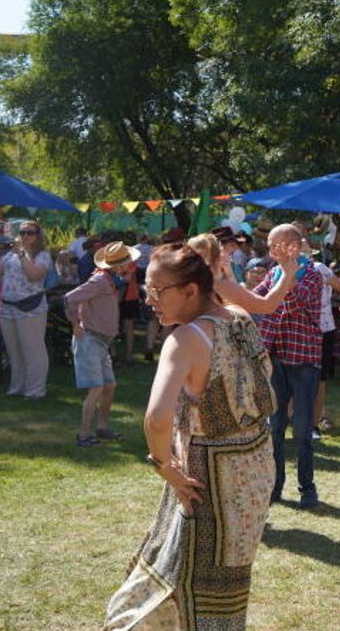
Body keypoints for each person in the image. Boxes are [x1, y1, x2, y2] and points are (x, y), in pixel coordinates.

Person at [103, 242, 276, 630]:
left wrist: (164, 466)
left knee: (186, 572)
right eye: (147, 290)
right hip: (256, 468)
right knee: (226, 575)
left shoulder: (185, 341)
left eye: (157, 291)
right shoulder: (240, 319)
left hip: (209, 478)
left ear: (191, 291)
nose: (150, 300)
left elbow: (157, 418)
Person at [250, 224, 324, 508]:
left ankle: (307, 489)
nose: (270, 251)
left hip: (303, 361)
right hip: (276, 359)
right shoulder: (274, 273)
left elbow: (291, 301)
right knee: (274, 427)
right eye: (269, 245)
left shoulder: (313, 274)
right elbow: (256, 300)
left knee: (303, 430)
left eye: (275, 245)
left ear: (293, 246)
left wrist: (285, 275)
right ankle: (275, 487)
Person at [65, 241, 140, 446]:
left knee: (109, 385)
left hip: (101, 342)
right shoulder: (99, 281)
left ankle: (102, 428)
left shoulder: (109, 280)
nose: (130, 265)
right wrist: (75, 324)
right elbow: (69, 298)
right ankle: (83, 434)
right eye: (127, 262)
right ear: (118, 265)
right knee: (97, 388)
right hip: (90, 339)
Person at [0, 220, 53, 400]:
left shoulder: (43, 255)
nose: (25, 236)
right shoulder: (10, 254)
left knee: (33, 350)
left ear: (38, 236)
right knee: (13, 351)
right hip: (7, 307)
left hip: (30, 308)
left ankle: (35, 390)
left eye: (30, 233)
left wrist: (22, 254)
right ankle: (17, 387)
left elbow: (34, 275)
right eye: (23, 232)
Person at [312, 248, 340, 437]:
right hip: (296, 331)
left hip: (322, 329)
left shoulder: (320, 268)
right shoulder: (281, 269)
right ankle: (295, 417)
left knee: (319, 378)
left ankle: (314, 423)